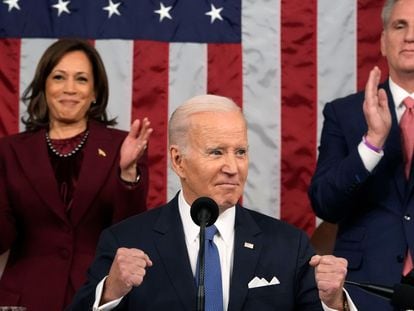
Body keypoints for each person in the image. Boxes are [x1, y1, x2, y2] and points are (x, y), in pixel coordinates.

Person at [69, 94, 356, 311]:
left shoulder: (288, 245)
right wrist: (110, 292)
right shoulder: (127, 241)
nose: (233, 166)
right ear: (178, 161)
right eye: (217, 152)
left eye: (240, 152)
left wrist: (334, 302)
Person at [0, 39, 152, 310]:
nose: (69, 88)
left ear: (94, 91)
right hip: (25, 298)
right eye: (59, 77)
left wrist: (127, 173)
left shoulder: (123, 146)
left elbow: (130, 236)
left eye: (81, 79)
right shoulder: (9, 151)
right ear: (44, 86)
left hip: (96, 296)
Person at [308, 0, 414, 309]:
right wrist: (371, 144)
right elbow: (325, 204)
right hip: (366, 290)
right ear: (383, 41)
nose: (410, 37)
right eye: (400, 26)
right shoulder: (344, 113)